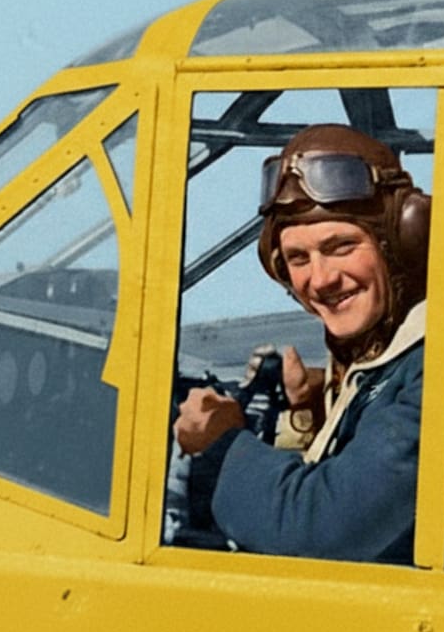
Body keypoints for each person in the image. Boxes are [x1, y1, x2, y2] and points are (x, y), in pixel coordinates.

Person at [174, 123, 430, 564]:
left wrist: (220, 444)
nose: (321, 278)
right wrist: (314, 407)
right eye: (298, 258)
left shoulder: (440, 364)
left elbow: (319, 528)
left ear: (402, 244)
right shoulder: (390, 354)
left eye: (341, 246)